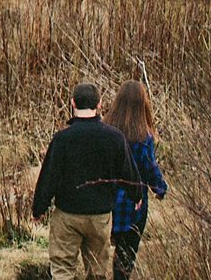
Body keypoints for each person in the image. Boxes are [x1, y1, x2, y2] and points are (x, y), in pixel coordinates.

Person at [31, 81, 140, 280]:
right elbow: (128, 172)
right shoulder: (114, 137)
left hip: (67, 215)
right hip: (100, 217)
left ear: (72, 103)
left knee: (63, 270)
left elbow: (49, 176)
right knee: (97, 272)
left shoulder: (62, 139)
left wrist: (39, 208)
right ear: (99, 104)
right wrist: (137, 195)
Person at [107, 80, 169, 280]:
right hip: (133, 203)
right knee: (126, 255)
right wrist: (160, 189)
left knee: (99, 252)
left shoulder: (106, 130)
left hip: (105, 199)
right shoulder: (143, 137)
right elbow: (149, 167)